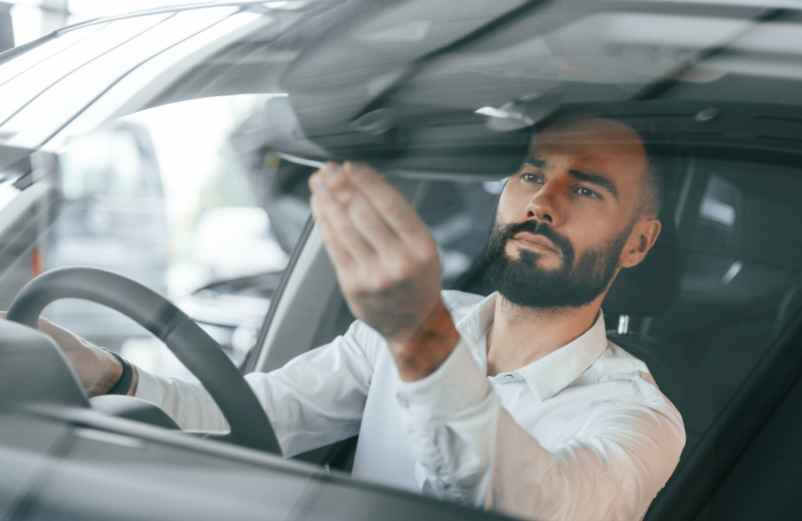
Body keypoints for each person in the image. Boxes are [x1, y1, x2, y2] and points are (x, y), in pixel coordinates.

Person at [21, 117, 685, 521]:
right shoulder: (410, 328)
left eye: (587, 188)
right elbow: (249, 418)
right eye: (531, 174)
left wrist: (422, 339)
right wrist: (107, 373)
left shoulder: (642, 418)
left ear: (637, 242)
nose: (542, 201)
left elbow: (546, 506)